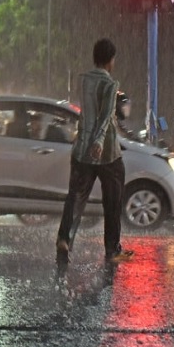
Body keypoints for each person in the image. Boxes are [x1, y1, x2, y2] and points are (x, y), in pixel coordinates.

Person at [55, 38, 133, 264]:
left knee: (75, 197)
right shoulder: (110, 84)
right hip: (107, 152)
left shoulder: (84, 80)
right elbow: (106, 115)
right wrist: (98, 142)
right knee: (113, 200)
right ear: (111, 60)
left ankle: (64, 238)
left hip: (81, 150)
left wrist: (87, 141)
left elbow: (88, 115)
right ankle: (112, 250)